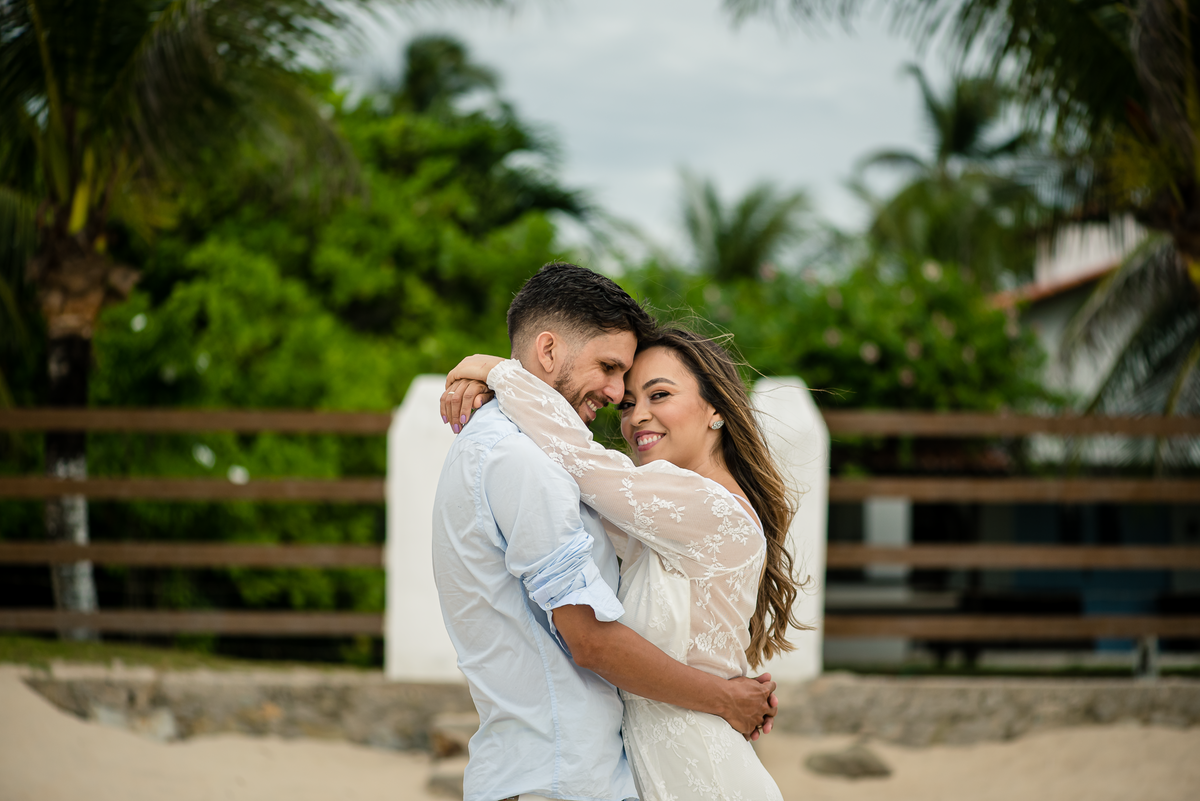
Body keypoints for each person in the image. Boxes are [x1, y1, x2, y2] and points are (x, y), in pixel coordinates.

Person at [431, 263, 779, 801]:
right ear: (549, 351)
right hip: (613, 770)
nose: (629, 408)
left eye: (657, 394)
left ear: (716, 409)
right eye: (627, 393)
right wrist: (725, 695)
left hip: (696, 773)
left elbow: (583, 460)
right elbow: (592, 633)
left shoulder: (710, 507)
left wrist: (495, 370)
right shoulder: (636, 515)